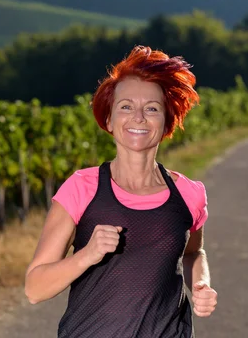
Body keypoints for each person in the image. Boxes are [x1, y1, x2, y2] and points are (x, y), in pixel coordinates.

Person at [24, 45, 218, 337]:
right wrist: (86, 255)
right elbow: (34, 289)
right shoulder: (82, 188)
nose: (138, 117)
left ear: (167, 121)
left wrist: (201, 283)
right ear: (109, 120)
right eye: (125, 106)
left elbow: (193, 252)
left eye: (152, 108)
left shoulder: (189, 194)